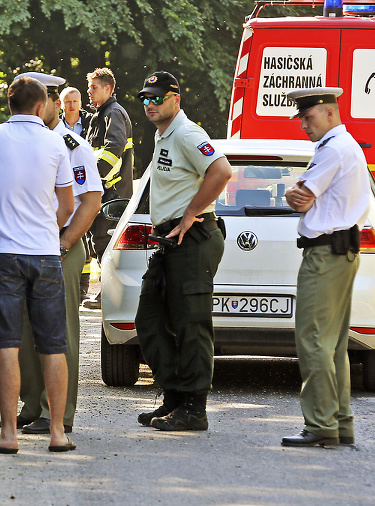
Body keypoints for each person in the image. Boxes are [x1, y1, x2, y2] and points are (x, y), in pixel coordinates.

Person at [0, 76, 76, 453]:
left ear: (7, 107)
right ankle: (57, 433)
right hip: (45, 254)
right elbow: (68, 206)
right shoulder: (56, 142)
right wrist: (44, 228)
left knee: (7, 345)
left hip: (3, 254)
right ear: (41, 107)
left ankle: (8, 435)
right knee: (53, 345)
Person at [133, 71, 232, 431]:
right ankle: (174, 398)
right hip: (171, 242)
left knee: (192, 326)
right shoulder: (164, 136)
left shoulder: (187, 133)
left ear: (176, 98)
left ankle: (194, 408)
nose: (150, 105)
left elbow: (221, 171)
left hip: (193, 240)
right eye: (145, 98)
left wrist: (190, 213)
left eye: (157, 98)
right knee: (149, 320)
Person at [282, 87, 371, 447]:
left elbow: (300, 199)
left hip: (325, 253)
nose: (304, 124)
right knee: (332, 344)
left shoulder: (333, 148)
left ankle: (321, 425)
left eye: (309, 117)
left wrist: (293, 193)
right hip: (342, 251)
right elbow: (304, 195)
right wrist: (298, 194)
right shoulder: (345, 145)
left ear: (330, 113)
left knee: (313, 339)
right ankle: (340, 422)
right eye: (302, 118)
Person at [15, 72, 102, 435]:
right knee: (24, 330)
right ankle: (33, 403)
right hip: (28, 244)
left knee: (57, 330)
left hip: (62, 246)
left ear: (50, 103)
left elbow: (91, 201)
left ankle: (58, 412)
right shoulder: (24, 140)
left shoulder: (70, 145)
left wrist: (65, 243)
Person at [81, 67, 134, 309]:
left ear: (108, 89)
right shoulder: (101, 114)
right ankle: (108, 292)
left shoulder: (113, 113)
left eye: (93, 87)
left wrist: (94, 177)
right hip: (104, 191)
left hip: (112, 192)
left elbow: (114, 149)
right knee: (97, 240)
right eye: (89, 87)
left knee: (104, 241)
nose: (88, 92)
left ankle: (110, 295)